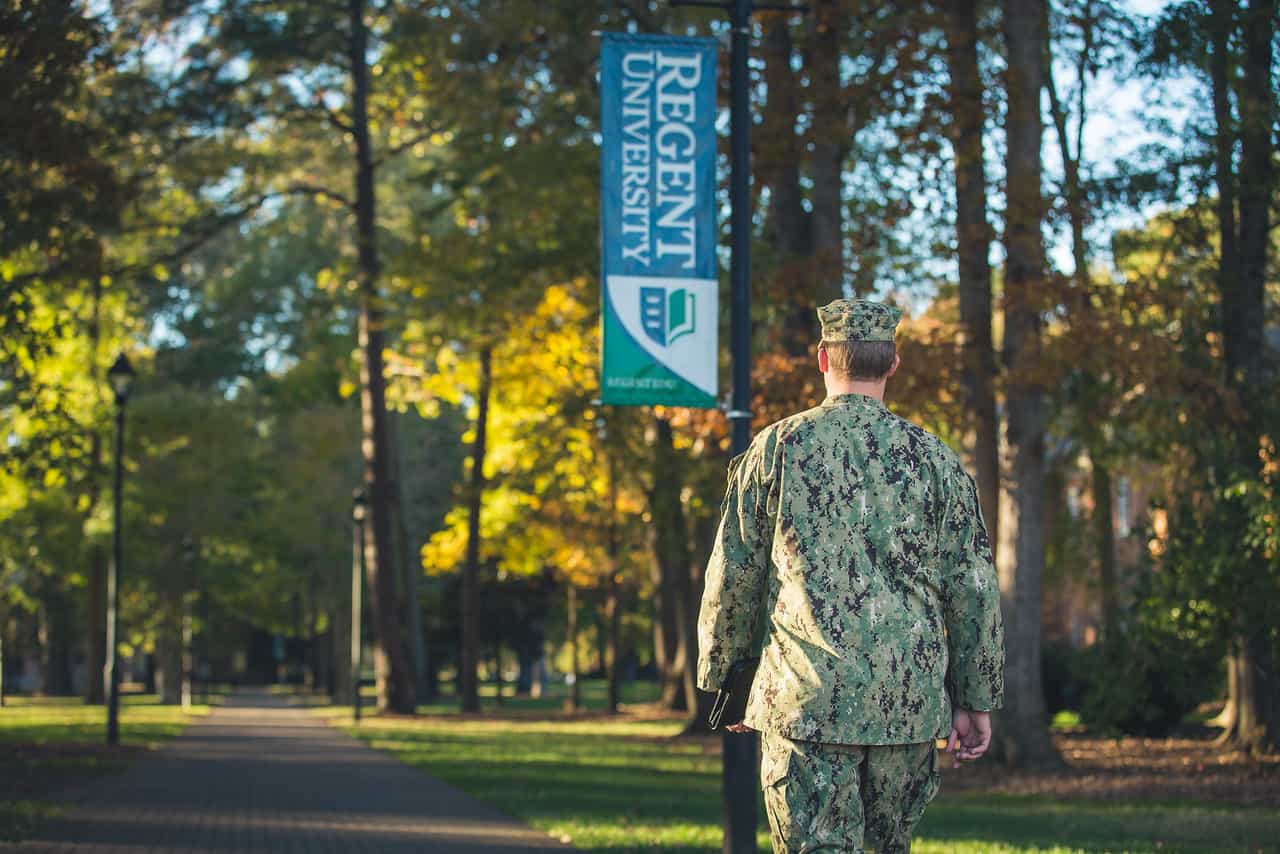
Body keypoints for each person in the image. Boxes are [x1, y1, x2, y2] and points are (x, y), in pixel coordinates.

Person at [696, 298, 1005, 853]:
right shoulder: (934, 460)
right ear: (892, 364)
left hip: (803, 700)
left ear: (822, 359)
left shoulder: (775, 449)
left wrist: (731, 679)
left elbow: (735, 573)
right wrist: (974, 699)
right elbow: (972, 585)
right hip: (905, 707)